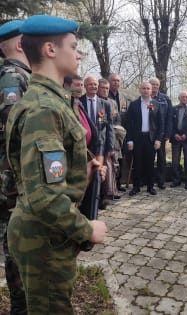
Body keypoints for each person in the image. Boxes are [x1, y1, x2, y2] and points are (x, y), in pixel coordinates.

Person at [5, 15, 107, 314]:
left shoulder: (48, 100)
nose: (78, 53)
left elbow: (44, 175)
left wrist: (81, 173)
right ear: (50, 49)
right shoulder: (44, 108)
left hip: (45, 235)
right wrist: (87, 229)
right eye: (74, 46)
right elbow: (45, 197)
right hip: (43, 240)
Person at [0, 19, 31, 315]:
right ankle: (20, 307)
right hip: (11, 179)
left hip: (13, 177)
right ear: (21, 44)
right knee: (16, 245)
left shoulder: (19, 74)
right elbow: (12, 125)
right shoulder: (12, 76)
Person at [80, 75, 114, 209]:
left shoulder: (105, 104)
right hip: (85, 145)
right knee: (87, 172)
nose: (94, 87)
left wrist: (110, 146)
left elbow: (109, 126)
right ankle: (86, 200)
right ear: (85, 86)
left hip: (101, 145)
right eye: (91, 84)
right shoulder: (79, 102)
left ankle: (100, 199)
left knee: (100, 172)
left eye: (95, 84)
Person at [126, 81, 164, 196]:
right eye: (144, 88)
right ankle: (136, 187)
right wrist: (130, 140)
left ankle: (150, 187)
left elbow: (161, 125)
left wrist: (158, 139)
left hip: (151, 139)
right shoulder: (134, 104)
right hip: (138, 139)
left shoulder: (157, 104)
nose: (146, 91)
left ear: (151, 90)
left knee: (150, 164)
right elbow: (129, 124)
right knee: (137, 164)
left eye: (148, 88)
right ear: (140, 90)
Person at [97, 78, 124, 200]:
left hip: (112, 138)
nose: (105, 90)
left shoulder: (112, 103)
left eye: (107, 88)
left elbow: (117, 119)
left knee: (113, 166)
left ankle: (112, 190)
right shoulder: (94, 101)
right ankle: (100, 194)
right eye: (102, 88)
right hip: (98, 140)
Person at [150, 77, 172, 189]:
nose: (154, 86)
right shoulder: (146, 98)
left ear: (159, 85)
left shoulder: (165, 99)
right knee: (149, 157)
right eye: (152, 84)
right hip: (149, 134)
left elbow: (169, 117)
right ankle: (148, 180)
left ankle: (161, 181)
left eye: (156, 84)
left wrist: (168, 133)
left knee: (161, 158)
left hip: (161, 133)